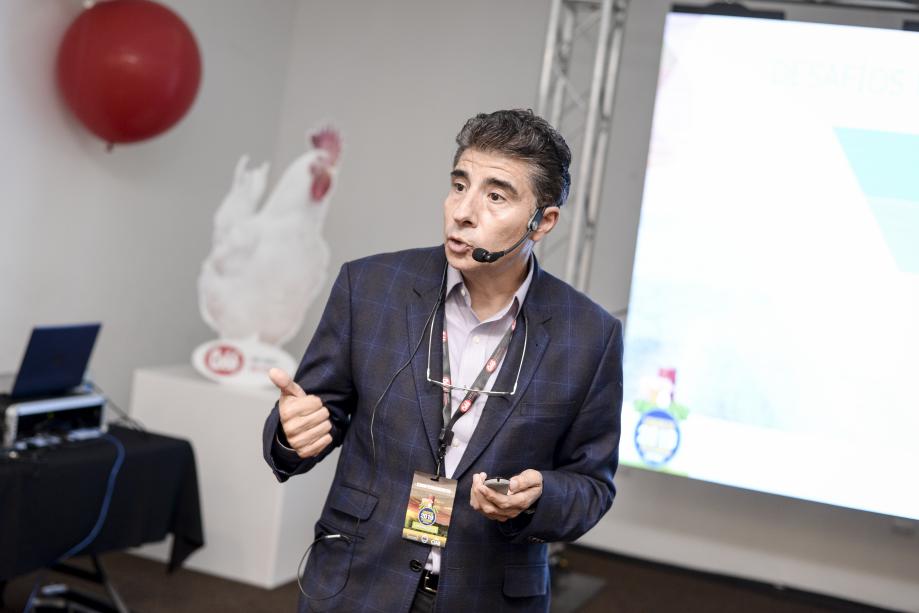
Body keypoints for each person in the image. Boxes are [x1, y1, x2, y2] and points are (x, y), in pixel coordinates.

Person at [262, 109, 623, 613]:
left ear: (542, 222)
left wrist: (539, 498)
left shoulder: (590, 335)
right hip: (358, 580)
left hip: (488, 594)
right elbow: (314, 414)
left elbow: (591, 486)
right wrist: (290, 434)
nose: (463, 211)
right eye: (459, 185)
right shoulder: (369, 288)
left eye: (496, 197)